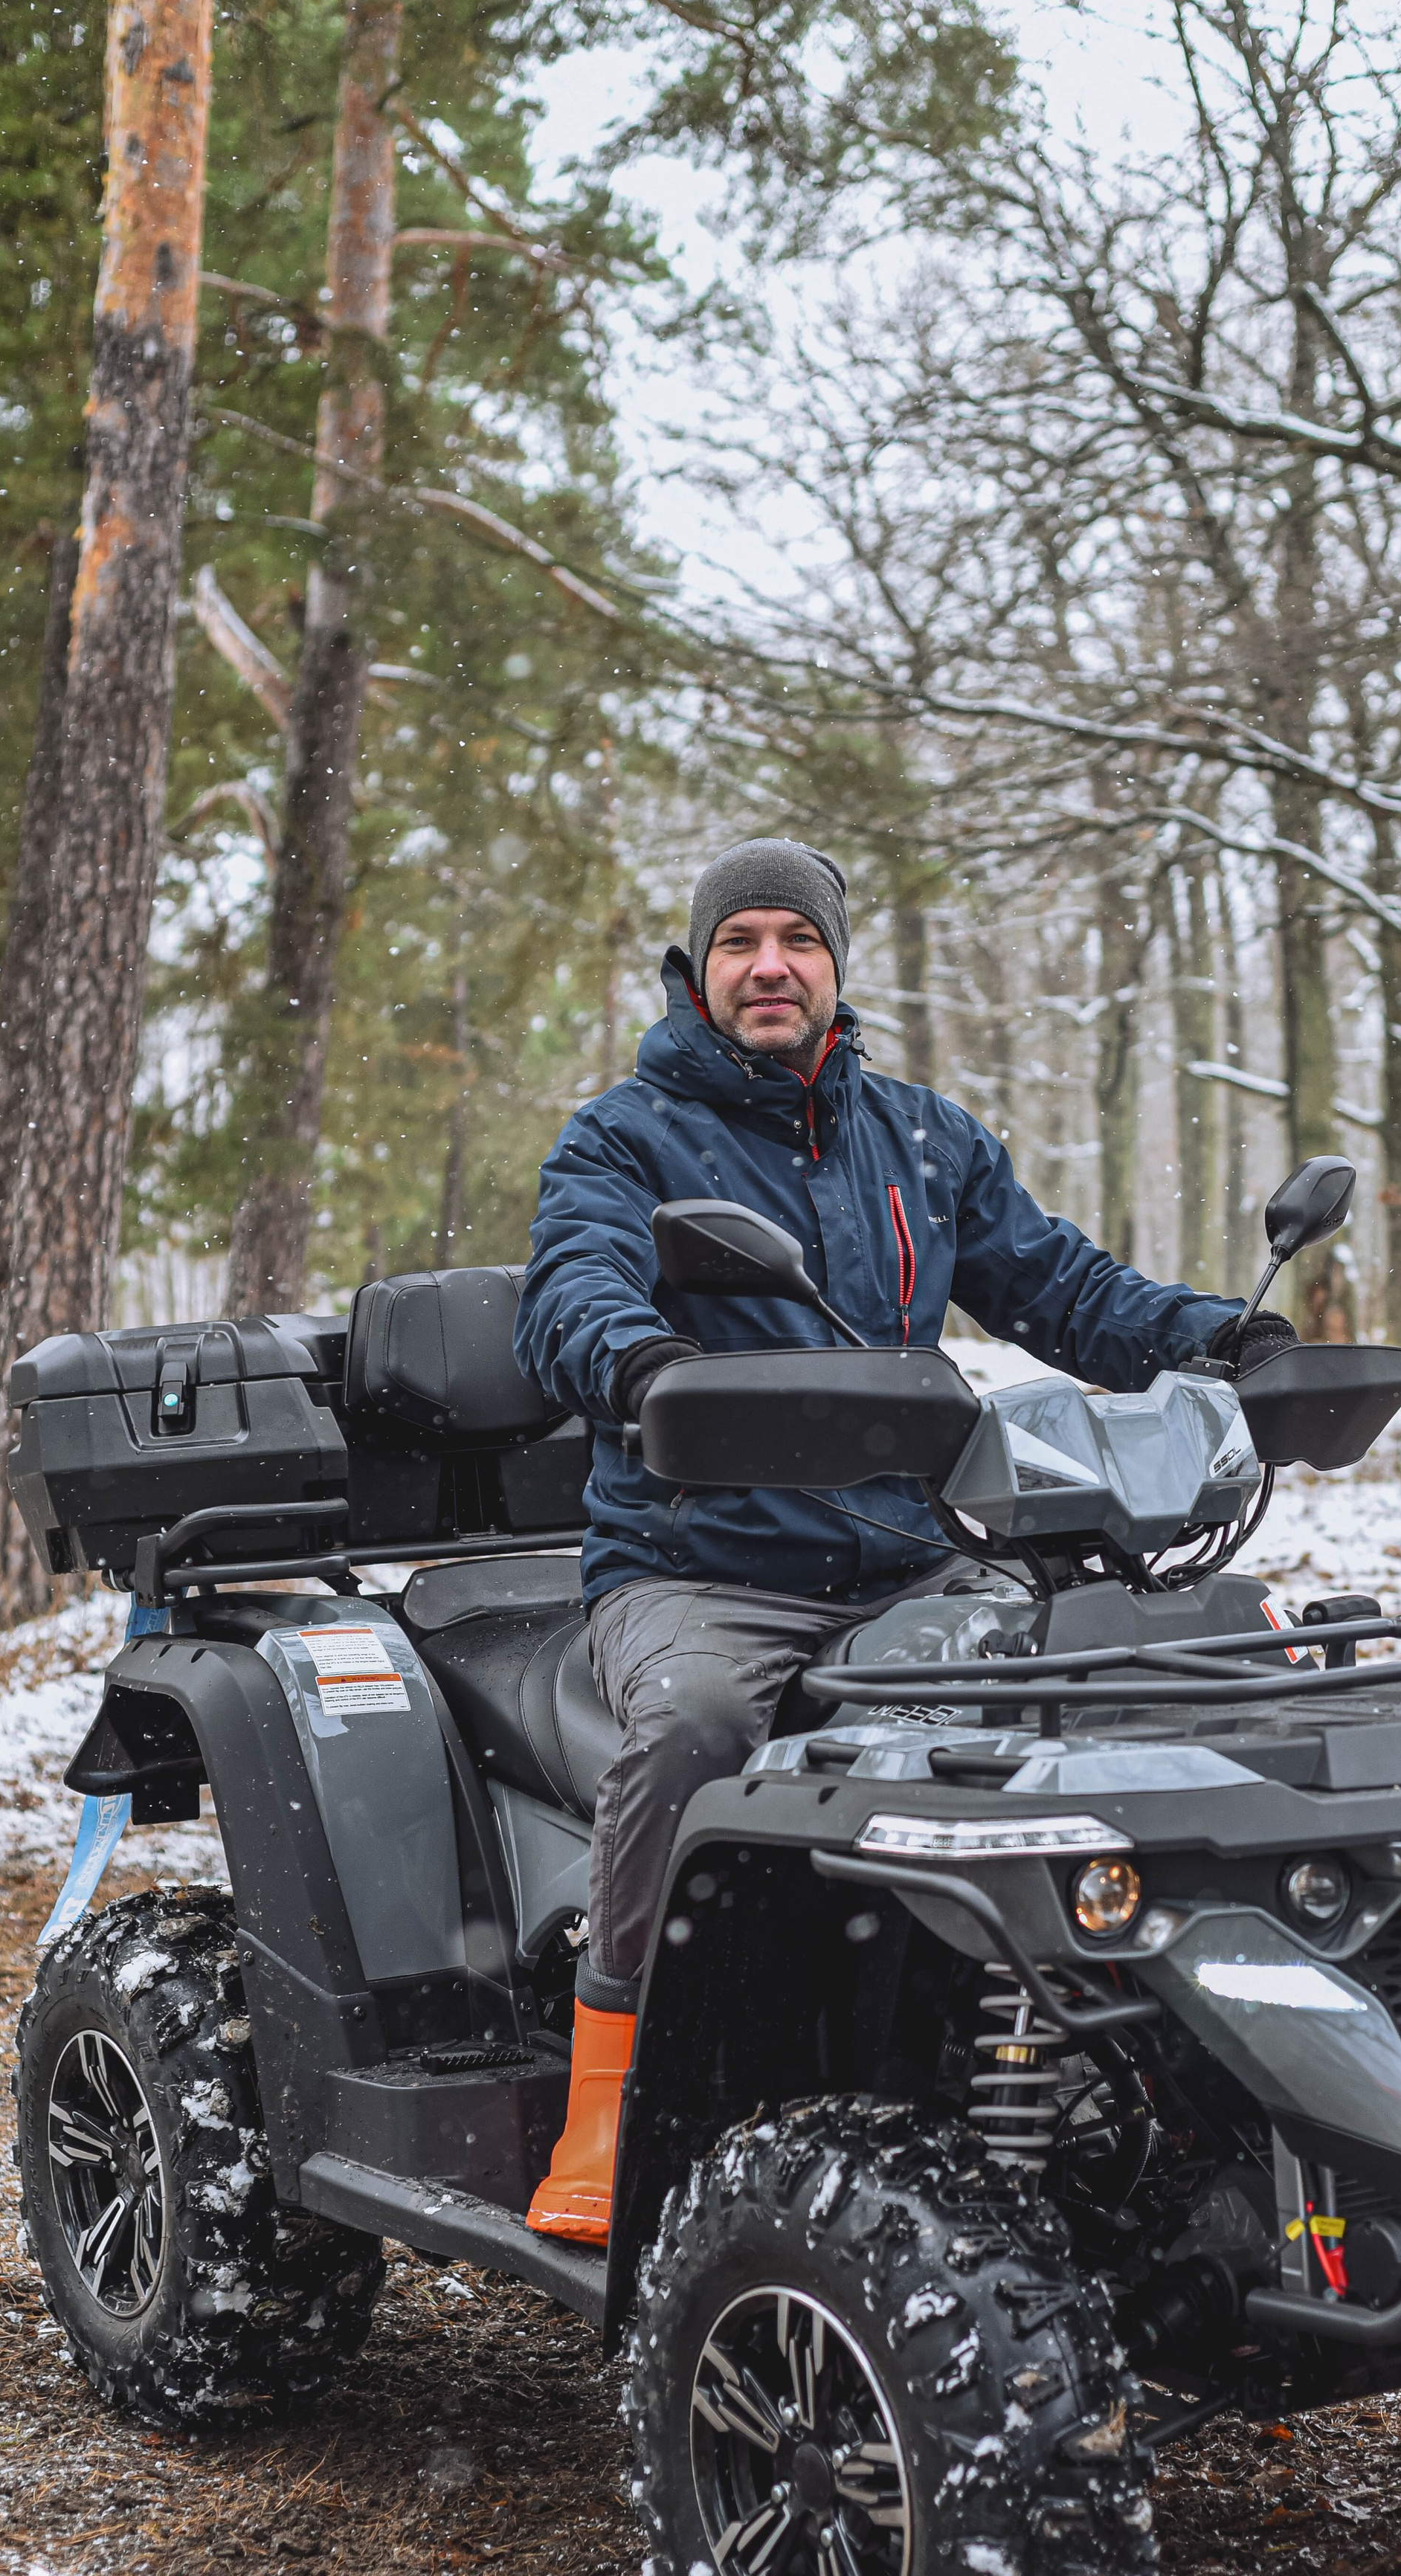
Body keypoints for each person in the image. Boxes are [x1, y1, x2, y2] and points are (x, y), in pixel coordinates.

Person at [512, 837, 1293, 2240]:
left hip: (910, 1556)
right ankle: (610, 2095)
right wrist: (645, 1368)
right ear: (697, 969)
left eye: (797, 941)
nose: (770, 967)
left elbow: (1058, 1284)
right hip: (701, 1568)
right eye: (742, 941)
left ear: (834, 965)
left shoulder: (919, 1137)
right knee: (694, 1728)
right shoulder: (623, 1138)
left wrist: (1217, 1341)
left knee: (1098, 1685)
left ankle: (1133, 2056)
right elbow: (573, 1289)